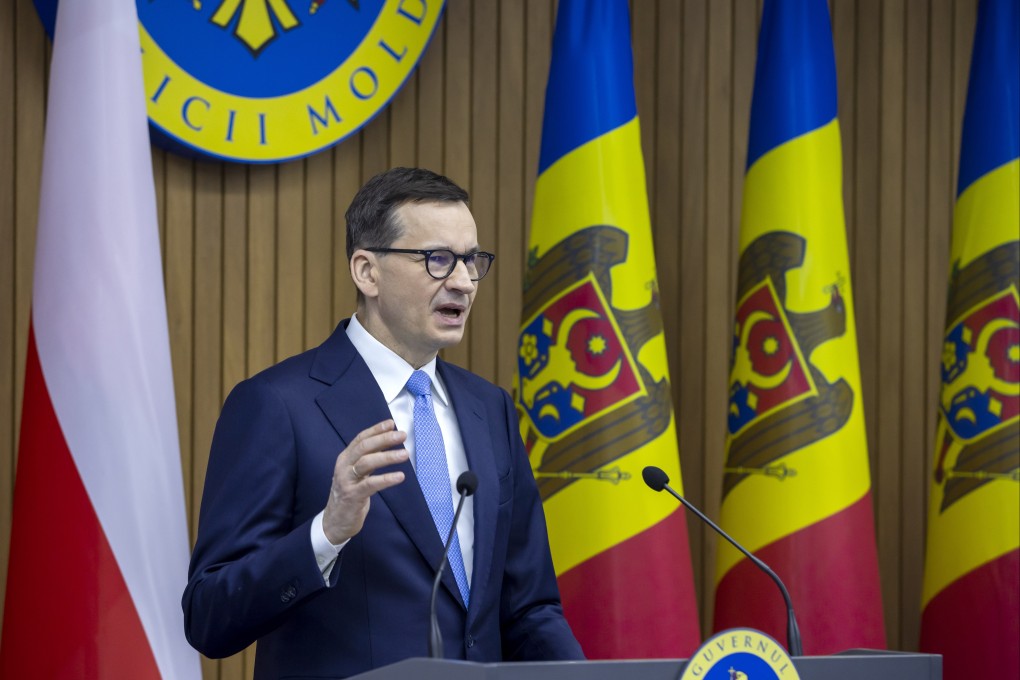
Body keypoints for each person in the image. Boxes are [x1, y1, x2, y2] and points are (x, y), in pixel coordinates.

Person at [182, 167, 584, 678]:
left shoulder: (491, 410)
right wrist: (326, 533)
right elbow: (210, 615)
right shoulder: (277, 405)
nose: (462, 281)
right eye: (437, 260)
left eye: (471, 260)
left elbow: (529, 608)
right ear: (367, 271)